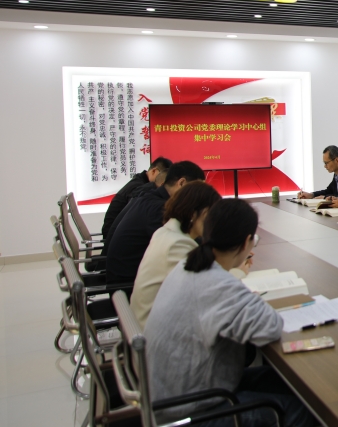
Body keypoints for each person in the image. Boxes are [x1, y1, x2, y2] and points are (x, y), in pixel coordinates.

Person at [145, 199, 316, 427]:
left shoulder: (188, 265)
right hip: (192, 411)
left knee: (283, 382)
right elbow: (271, 326)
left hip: (175, 391)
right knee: (303, 412)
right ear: (247, 242)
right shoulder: (217, 284)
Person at [130, 181, 223, 327]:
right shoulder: (177, 244)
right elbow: (207, 292)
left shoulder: (165, 232)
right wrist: (236, 269)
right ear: (197, 214)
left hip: (147, 324)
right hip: (155, 331)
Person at [104, 161, 206, 285]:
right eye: (197, 190)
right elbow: (182, 241)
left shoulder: (151, 198)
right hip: (127, 284)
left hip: (128, 276)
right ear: (182, 183)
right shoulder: (158, 208)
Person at [101, 157, 172, 240]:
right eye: (163, 175)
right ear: (154, 171)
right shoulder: (140, 188)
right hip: (113, 235)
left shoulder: (140, 182)